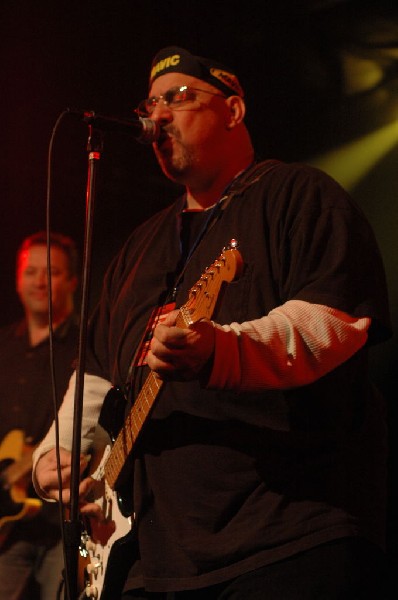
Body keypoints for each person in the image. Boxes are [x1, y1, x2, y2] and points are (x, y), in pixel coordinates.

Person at [33, 46, 392, 599]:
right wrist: (54, 455)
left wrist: (221, 351)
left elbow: (335, 320)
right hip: (150, 560)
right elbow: (99, 374)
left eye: (178, 97)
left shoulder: (299, 196)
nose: (157, 115)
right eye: (151, 103)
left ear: (233, 110)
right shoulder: (138, 250)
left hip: (285, 537)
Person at [0, 231, 79, 599]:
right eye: (31, 272)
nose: (39, 281)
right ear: (18, 280)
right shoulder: (4, 347)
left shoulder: (86, 346)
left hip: (62, 526)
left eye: (52, 273)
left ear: (73, 282)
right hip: (6, 530)